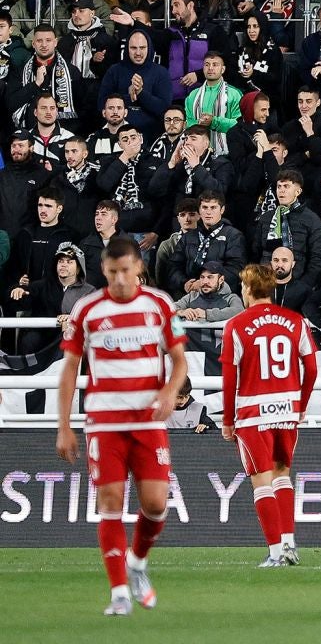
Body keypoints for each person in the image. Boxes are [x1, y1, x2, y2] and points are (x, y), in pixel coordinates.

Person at [56, 235, 189, 615]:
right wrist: (64, 426)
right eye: (112, 273)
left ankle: (137, 563)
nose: (119, 280)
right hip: (104, 421)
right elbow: (69, 372)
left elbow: (180, 361)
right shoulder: (87, 309)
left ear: (139, 268)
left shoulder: (159, 304)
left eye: (126, 272)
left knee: (156, 504)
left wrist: (168, 392)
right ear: (103, 269)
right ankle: (118, 593)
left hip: (148, 421)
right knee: (110, 502)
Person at [219, 262, 318, 567]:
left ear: (248, 289)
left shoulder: (235, 326)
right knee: (282, 476)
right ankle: (289, 545)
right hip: (287, 409)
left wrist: (227, 420)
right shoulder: (296, 321)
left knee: (261, 482)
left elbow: (229, 379)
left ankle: (276, 552)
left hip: (252, 412)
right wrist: (300, 405)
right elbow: (312, 369)